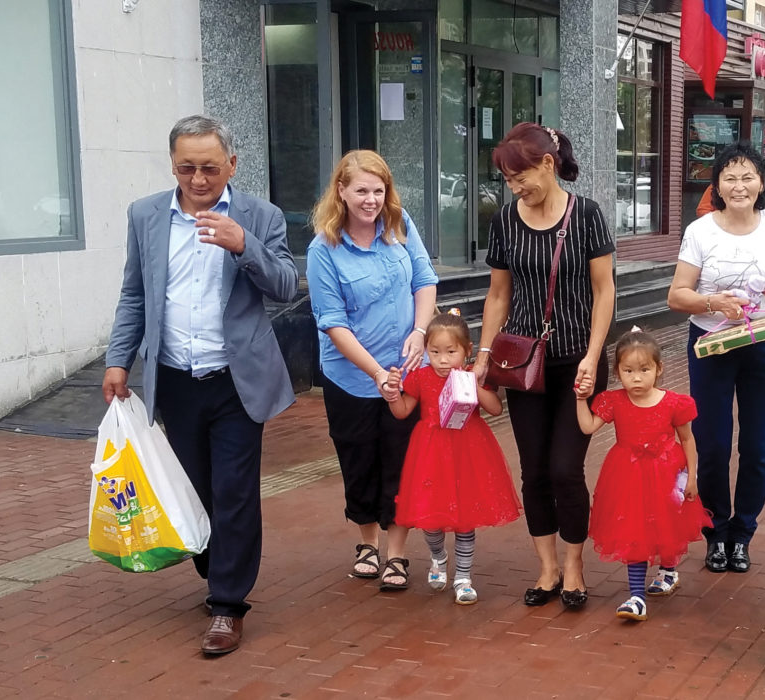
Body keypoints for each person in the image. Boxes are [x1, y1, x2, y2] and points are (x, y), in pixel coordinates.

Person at [102, 115, 299, 655]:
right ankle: (217, 570)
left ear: (232, 165)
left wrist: (244, 245)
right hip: (174, 379)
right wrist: (118, 359)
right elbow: (136, 295)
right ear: (172, 164)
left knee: (234, 492)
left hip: (237, 380)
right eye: (186, 167)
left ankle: (228, 604)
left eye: (210, 168)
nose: (197, 178)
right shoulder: (145, 215)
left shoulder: (261, 215)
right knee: (193, 489)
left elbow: (285, 285)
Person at [474, 122, 615, 609]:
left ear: (547, 165)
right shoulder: (506, 221)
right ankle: (548, 569)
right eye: (508, 181)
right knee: (533, 471)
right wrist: (483, 355)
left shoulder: (587, 215)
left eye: (521, 177)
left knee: (564, 470)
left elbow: (604, 292)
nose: (515, 188)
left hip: (577, 361)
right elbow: (498, 295)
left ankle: (575, 568)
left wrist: (595, 357)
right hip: (524, 367)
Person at [667, 141, 765, 575]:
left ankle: (742, 534)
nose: (739, 185)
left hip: (763, 344)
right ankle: (717, 532)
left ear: (762, 183)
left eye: (748, 176)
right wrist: (713, 303)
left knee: (759, 446)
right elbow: (676, 295)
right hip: (712, 347)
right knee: (711, 445)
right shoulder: (701, 231)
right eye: (730, 176)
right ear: (718, 186)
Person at [307, 150, 438, 592]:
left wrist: (420, 332)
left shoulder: (399, 225)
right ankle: (367, 542)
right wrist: (375, 374)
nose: (371, 200)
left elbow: (425, 280)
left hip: (407, 372)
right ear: (341, 191)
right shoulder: (324, 247)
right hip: (351, 378)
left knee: (402, 462)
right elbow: (332, 321)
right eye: (361, 190)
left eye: (378, 190)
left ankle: (397, 553)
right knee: (358, 459)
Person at [385, 310, 522, 605]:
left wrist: (472, 383)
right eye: (435, 352)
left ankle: (463, 577)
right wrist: (392, 394)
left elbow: (495, 409)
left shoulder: (471, 373)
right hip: (430, 453)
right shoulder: (420, 376)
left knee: (465, 517)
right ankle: (438, 556)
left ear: (467, 350)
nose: (443, 360)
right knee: (430, 518)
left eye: (451, 352)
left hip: (467, 452)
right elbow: (402, 411)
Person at [576, 328, 710, 622]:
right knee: (633, 528)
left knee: (666, 522)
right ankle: (636, 596)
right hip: (626, 475)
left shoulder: (675, 403)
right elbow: (587, 427)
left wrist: (692, 477)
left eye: (644, 369)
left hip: (666, 471)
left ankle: (668, 570)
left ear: (659, 369)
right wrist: (580, 398)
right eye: (628, 371)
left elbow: (687, 439)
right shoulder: (614, 400)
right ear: (617, 372)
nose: (636, 378)